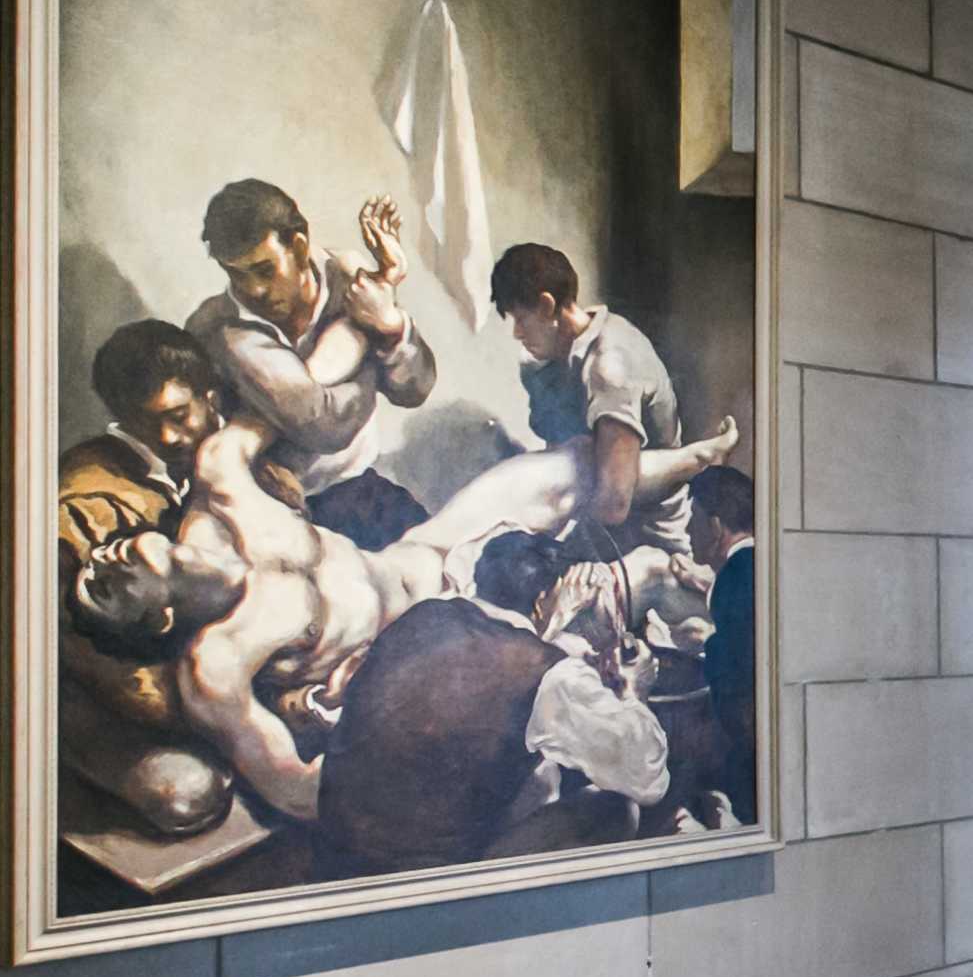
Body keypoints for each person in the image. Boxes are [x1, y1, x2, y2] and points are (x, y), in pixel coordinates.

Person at [65, 401, 738, 827]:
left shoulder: (222, 479)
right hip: (442, 642)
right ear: (154, 623)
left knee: (560, 471)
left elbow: (310, 401)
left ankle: (692, 480)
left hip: (421, 553)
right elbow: (301, 792)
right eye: (103, 591)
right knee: (629, 605)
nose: (100, 562)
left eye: (94, 562)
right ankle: (691, 602)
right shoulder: (213, 667)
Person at [52, 321, 235, 838]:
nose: (167, 438)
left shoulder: (235, 462)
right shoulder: (83, 501)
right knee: (185, 795)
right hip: (129, 700)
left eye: (179, 416)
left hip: (224, 671)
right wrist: (208, 705)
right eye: (142, 422)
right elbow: (93, 659)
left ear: (209, 395)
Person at [186, 177, 436, 549]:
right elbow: (323, 426)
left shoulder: (344, 278)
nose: (253, 290)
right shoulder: (222, 330)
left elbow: (414, 389)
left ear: (300, 247)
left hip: (358, 491)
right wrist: (373, 310)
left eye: (264, 270)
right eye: (236, 274)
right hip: (268, 511)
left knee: (438, 566)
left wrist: (391, 324)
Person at [489, 241, 690, 556]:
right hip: (594, 530)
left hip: (646, 544)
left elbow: (614, 503)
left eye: (520, 318)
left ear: (546, 306)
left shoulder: (610, 366)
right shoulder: (559, 356)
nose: (516, 332)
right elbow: (563, 452)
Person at [686, 463, 763, 806]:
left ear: (715, 526)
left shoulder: (735, 576)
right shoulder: (755, 565)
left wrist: (706, 645)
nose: (688, 531)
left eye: (693, 519)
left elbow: (735, 681)